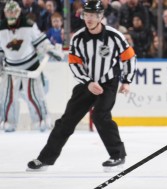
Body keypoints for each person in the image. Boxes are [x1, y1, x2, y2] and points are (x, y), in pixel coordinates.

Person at [27, 0, 136, 172]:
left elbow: (129, 57)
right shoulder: (78, 38)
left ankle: (117, 155)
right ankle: (45, 159)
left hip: (108, 83)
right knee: (66, 122)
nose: (89, 18)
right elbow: (74, 64)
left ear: (101, 16)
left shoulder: (114, 36)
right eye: (87, 15)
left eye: (93, 15)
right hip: (86, 83)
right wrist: (88, 82)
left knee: (100, 116)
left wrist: (127, 81)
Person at [0, 0, 62, 132]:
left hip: (30, 66)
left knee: (34, 95)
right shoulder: (0, 27)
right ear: (5, 13)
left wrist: (50, 49)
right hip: (11, 68)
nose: (11, 14)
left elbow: (41, 41)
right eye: (8, 12)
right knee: (7, 97)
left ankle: (41, 121)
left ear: (18, 12)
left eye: (14, 11)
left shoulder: (28, 25)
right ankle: (8, 122)